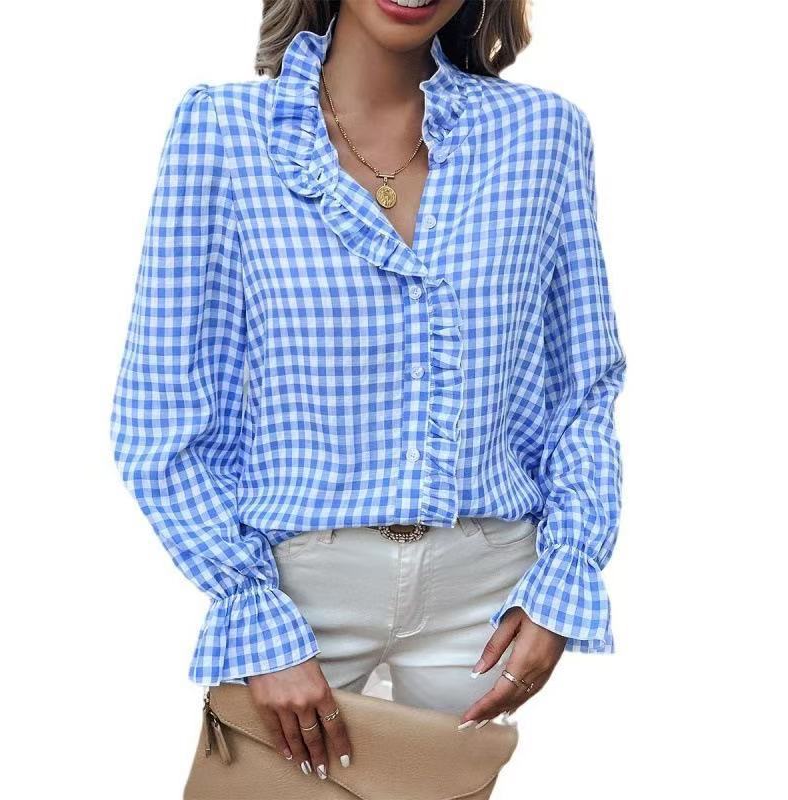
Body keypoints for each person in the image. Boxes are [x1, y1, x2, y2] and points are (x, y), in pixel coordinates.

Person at [109, 0, 626, 783]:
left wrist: (567, 576)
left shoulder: (543, 136)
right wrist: (251, 610)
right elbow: (160, 413)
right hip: (297, 591)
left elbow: (582, 387)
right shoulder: (225, 131)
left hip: (485, 594)